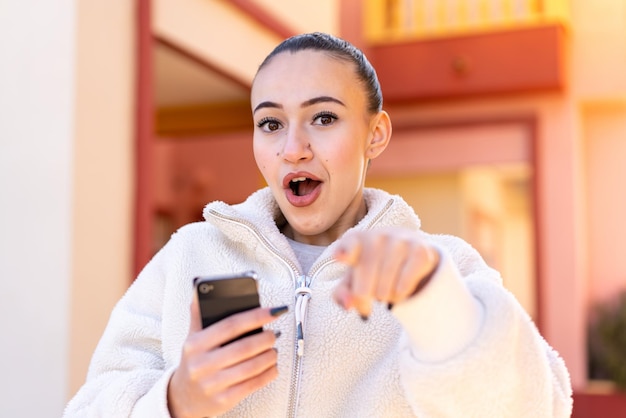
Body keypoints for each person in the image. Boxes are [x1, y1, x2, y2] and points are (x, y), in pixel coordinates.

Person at [64, 32, 573, 417]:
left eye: (324, 118)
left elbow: (542, 405)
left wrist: (434, 303)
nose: (293, 148)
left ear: (376, 134)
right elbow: (89, 407)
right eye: (270, 123)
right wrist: (177, 398)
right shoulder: (190, 254)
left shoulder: (441, 268)